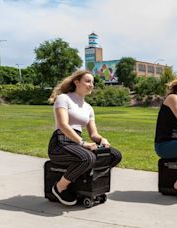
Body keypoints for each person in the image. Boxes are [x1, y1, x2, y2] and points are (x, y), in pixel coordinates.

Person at [48, 70, 122, 205]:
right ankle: (59, 187)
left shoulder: (88, 108)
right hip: (60, 144)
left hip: (76, 144)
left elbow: (93, 134)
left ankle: (86, 183)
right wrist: (82, 143)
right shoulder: (64, 98)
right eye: (88, 81)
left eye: (93, 82)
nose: (91, 85)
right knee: (87, 157)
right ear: (76, 82)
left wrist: (102, 140)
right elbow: (63, 125)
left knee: (114, 155)